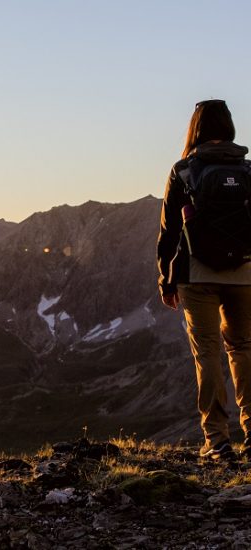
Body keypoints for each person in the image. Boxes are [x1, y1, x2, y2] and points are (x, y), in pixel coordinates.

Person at [157, 99, 251, 461]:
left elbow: (169, 230)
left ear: (195, 128)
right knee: (243, 349)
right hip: (244, 272)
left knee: (209, 353)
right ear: (228, 126)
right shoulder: (246, 169)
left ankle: (218, 441)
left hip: (197, 274)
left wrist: (166, 279)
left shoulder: (184, 170)